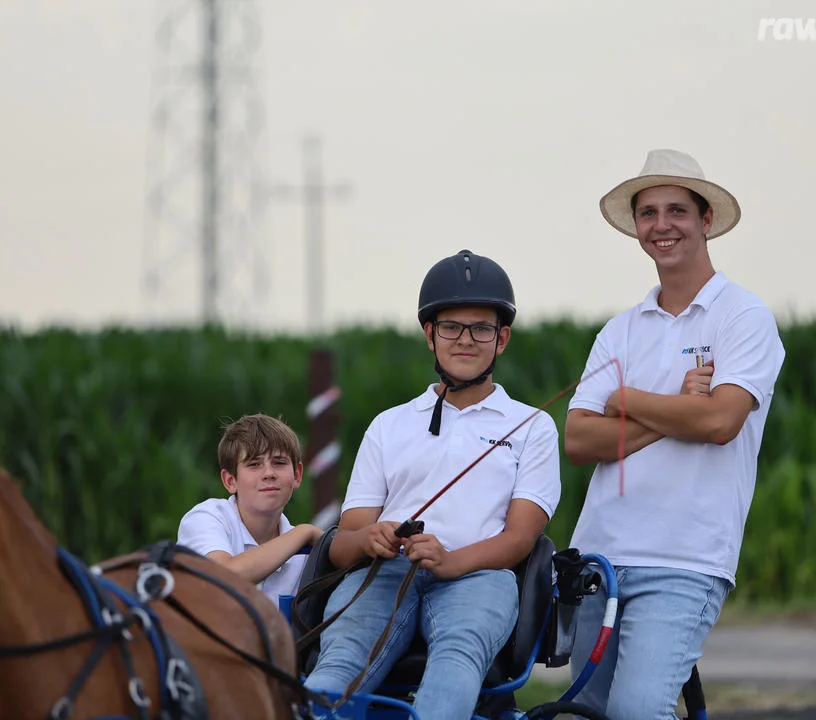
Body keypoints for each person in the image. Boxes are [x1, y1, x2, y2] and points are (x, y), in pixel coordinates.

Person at [563, 149, 786, 720]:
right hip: (598, 559)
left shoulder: (743, 317)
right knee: (590, 712)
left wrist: (627, 399)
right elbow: (580, 442)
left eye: (677, 211)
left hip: (685, 559)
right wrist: (678, 408)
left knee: (638, 710)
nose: (662, 226)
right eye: (648, 214)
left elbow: (718, 423)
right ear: (636, 227)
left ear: (706, 220)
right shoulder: (620, 329)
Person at [303, 249, 562, 720]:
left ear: (501, 339)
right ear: (430, 335)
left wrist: (450, 561)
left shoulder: (533, 426)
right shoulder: (388, 425)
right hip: (384, 576)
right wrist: (370, 538)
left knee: (457, 659)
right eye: (450, 327)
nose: (466, 340)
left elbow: (520, 538)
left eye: (481, 328)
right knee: (333, 668)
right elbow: (344, 545)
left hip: (480, 578)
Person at [178, 413, 323, 612]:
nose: (269, 473)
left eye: (279, 462)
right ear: (230, 481)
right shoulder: (206, 517)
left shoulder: (307, 555)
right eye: (254, 464)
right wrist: (304, 532)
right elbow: (223, 578)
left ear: (297, 475)